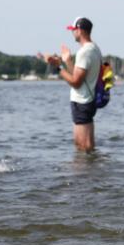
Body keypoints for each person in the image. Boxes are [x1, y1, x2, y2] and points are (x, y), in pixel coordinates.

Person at [42, 17, 101, 153]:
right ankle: (89, 172)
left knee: (83, 147)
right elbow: (77, 75)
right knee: (86, 147)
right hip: (87, 101)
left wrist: (57, 67)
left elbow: (76, 82)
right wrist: (67, 61)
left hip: (82, 102)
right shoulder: (93, 48)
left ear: (79, 30)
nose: (72, 33)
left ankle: (85, 173)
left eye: (73, 30)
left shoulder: (84, 52)